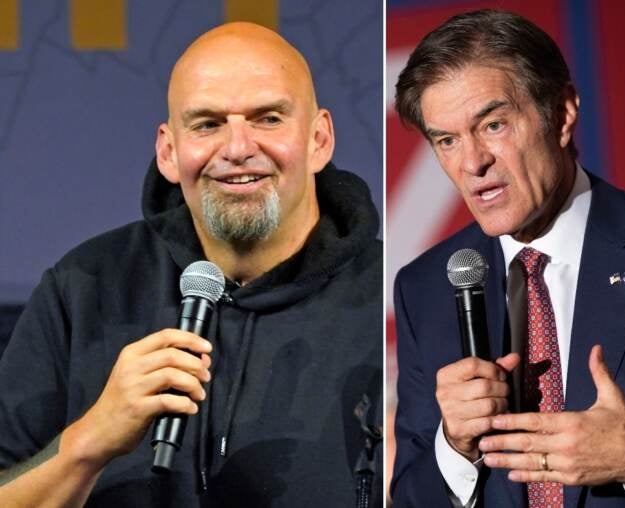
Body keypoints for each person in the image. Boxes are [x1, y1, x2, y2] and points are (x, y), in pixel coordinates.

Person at [391, 9, 625, 508]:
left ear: (562, 113)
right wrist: (455, 448)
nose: (472, 162)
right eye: (446, 140)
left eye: (494, 125)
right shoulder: (424, 288)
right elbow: (412, 495)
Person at [0, 22, 382, 507]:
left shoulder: (391, 294)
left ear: (319, 140)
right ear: (168, 150)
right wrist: (87, 444)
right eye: (207, 123)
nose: (239, 148)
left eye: (268, 118)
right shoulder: (82, 287)